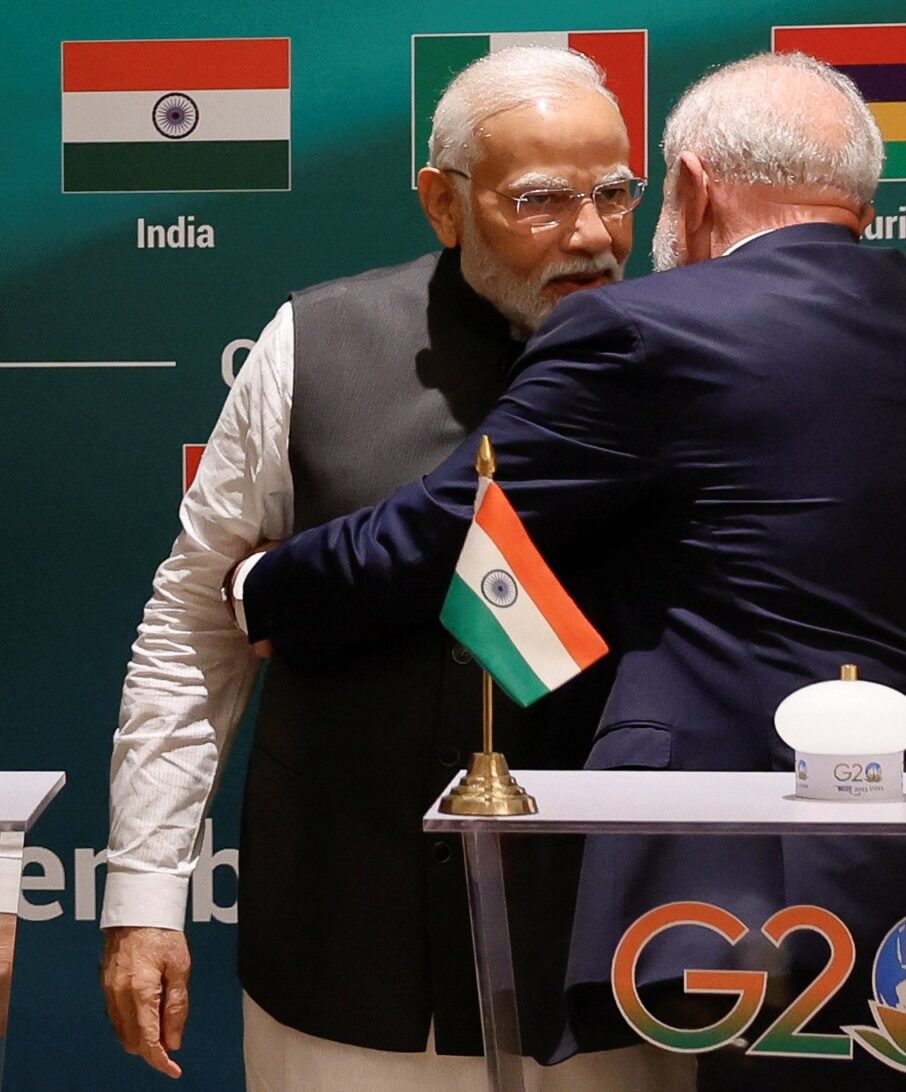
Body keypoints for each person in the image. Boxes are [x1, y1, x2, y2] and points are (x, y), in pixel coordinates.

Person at [234, 52, 906, 1090]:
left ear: (691, 186)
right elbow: (825, 543)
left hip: (755, 914)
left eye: (625, 193)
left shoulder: (641, 331)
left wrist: (261, 592)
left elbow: (453, 529)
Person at [100, 46, 696, 1091]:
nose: (593, 236)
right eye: (541, 201)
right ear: (443, 202)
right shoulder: (312, 343)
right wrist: (146, 892)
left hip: (614, 973)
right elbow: (194, 621)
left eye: (614, 193)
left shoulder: (694, 358)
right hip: (340, 965)